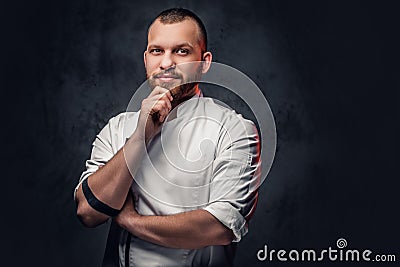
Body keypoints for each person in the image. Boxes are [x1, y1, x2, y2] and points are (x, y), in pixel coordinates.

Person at [74, 7, 261, 267]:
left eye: (181, 51)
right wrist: (140, 135)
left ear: (204, 62)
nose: (165, 63)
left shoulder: (233, 129)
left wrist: (130, 220)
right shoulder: (118, 128)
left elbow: (220, 226)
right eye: (157, 51)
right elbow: (88, 211)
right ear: (146, 59)